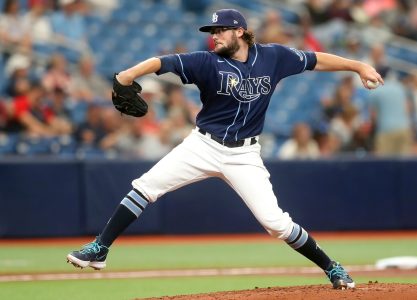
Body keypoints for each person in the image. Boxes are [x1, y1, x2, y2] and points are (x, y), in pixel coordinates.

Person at [66, 8, 383, 290]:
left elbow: (315, 60)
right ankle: (100, 248)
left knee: (276, 223)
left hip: (244, 155)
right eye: (212, 31)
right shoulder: (206, 62)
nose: (214, 36)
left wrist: (357, 66)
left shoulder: (273, 57)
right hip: (202, 145)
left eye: (220, 31)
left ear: (240, 32)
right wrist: (128, 75)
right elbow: (163, 62)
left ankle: (331, 266)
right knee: (145, 187)